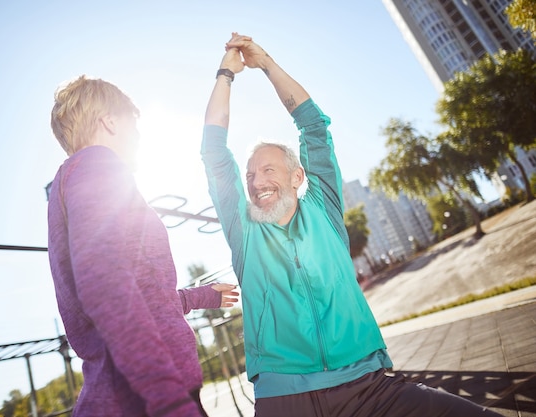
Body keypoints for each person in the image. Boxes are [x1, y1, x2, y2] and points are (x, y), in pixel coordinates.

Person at [201, 33, 503, 417]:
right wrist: (225, 73)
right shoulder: (244, 230)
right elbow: (213, 150)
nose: (256, 182)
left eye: (268, 170)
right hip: (284, 400)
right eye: (250, 175)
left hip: (369, 389)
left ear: (297, 177)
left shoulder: (324, 209)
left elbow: (314, 127)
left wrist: (267, 65)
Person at [47, 75, 239, 416]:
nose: (138, 135)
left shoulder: (78, 179)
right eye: (132, 124)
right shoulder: (96, 166)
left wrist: (201, 296)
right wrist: (166, 398)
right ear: (109, 122)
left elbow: (142, 295)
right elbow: (106, 288)